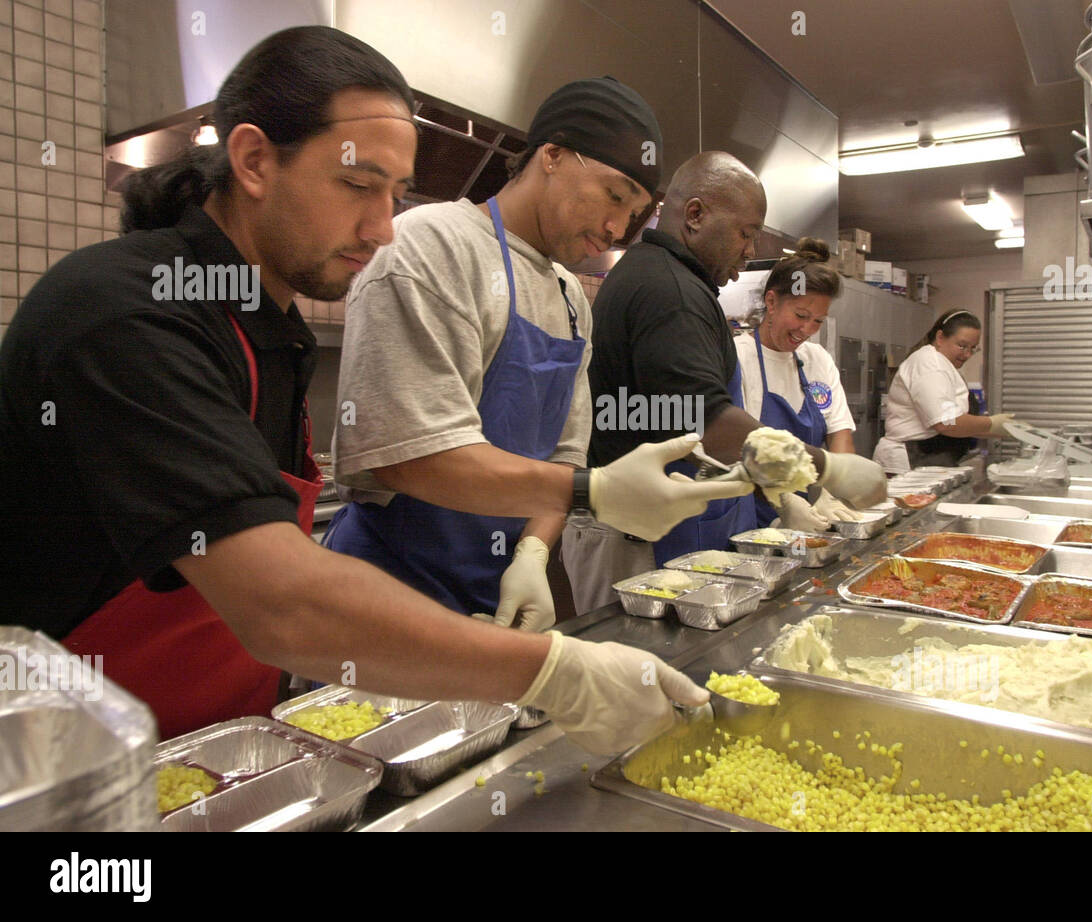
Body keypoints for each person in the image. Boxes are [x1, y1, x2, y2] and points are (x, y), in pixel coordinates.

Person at [0, 28, 712, 751]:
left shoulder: (270, 330)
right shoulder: (123, 309)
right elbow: (282, 603)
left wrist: (533, 553)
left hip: (216, 746)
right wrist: (555, 670)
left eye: (396, 194)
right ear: (252, 160)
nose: (382, 230)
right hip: (75, 771)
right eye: (358, 185)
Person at [322, 77, 748, 635]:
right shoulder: (431, 245)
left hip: (496, 591)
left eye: (637, 212)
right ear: (551, 154)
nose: (617, 227)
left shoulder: (572, 298)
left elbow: (563, 457)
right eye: (614, 195)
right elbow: (406, 453)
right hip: (391, 587)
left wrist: (530, 555)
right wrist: (594, 493)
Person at [570, 152, 888, 615]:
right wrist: (826, 469)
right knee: (631, 667)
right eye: (746, 232)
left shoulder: (672, 280)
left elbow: (683, 423)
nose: (749, 248)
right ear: (695, 215)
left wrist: (780, 495)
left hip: (649, 522)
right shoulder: (669, 291)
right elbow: (708, 420)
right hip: (629, 531)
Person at [734, 237, 861, 532]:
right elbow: (731, 447)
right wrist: (783, 502)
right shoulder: (739, 357)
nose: (807, 330)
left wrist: (833, 490)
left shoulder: (817, 359)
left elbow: (839, 433)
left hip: (802, 522)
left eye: (818, 321)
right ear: (772, 302)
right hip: (748, 519)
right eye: (801, 316)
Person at [872, 309, 1014, 473]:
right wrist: (990, 423)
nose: (967, 354)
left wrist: (1003, 430)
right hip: (909, 461)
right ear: (940, 338)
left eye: (973, 348)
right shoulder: (930, 364)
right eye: (962, 346)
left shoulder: (944, 365)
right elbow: (946, 422)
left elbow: (952, 421)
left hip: (928, 459)